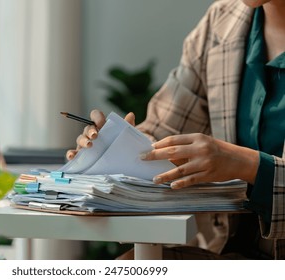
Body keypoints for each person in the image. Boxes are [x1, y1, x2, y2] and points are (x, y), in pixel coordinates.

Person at [66, 0, 285, 259]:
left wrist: (247, 165)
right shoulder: (223, 20)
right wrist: (116, 145)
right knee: (134, 267)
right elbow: (164, 130)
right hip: (231, 253)